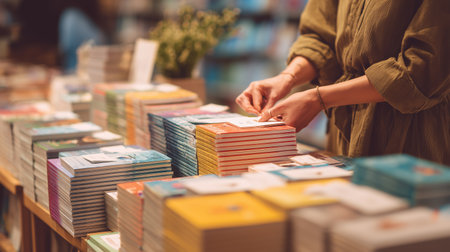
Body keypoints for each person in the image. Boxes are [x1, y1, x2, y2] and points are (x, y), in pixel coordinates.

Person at [236, 0, 449, 165]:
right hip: (344, 127)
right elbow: (320, 36)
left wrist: (318, 99)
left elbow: (423, 67)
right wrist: (287, 77)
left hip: (411, 133)